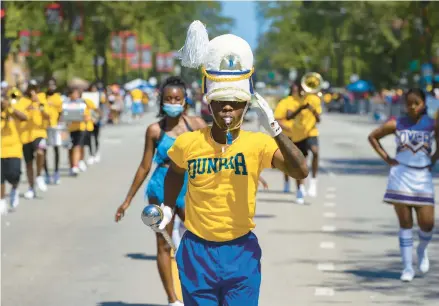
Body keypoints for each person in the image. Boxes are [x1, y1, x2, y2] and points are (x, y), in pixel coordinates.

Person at [153, 21, 308, 306]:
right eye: (221, 100)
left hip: (241, 252)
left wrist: (274, 128)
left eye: (236, 101)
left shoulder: (258, 144)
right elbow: (174, 172)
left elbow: (300, 170)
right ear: (208, 102)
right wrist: (167, 206)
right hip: (197, 251)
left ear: (247, 104)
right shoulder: (188, 143)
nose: (227, 107)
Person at [115, 76, 206, 306]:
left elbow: (217, 155)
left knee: (201, 239)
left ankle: (199, 291)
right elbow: (145, 166)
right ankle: (172, 299)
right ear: (161, 101)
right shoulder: (155, 130)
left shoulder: (196, 125)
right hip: (160, 187)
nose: (173, 102)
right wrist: (127, 201)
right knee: (163, 243)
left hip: (190, 185)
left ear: (185, 100)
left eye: (177, 98)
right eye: (168, 99)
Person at [368, 88, 437, 282]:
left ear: (424, 104)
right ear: (404, 105)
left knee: (427, 224)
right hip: (401, 175)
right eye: (409, 103)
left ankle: (422, 250)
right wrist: (388, 159)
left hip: (422, 176)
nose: (413, 107)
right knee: (405, 224)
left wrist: (433, 159)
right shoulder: (396, 123)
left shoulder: (432, 124)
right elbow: (373, 137)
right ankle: (407, 267)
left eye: (417, 103)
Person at [274, 82, 322, 203]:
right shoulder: (286, 102)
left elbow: (319, 119)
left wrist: (312, 110)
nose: (299, 91)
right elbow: (281, 118)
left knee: (315, 152)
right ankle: (298, 188)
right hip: (293, 134)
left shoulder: (313, 99)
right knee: (295, 162)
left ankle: (313, 181)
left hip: (310, 132)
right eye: (296, 89)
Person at [16, 82, 50, 199]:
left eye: (35, 89)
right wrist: (27, 107)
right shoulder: (22, 101)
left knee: (40, 152)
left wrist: (38, 103)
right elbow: (18, 114)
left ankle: (39, 175)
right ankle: (31, 188)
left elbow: (47, 115)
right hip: (25, 135)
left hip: (39, 132)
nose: (32, 91)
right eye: (31, 89)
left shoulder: (42, 99)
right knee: (29, 163)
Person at [0, 94, 28, 214]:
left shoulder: (13, 110)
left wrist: (9, 109)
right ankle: (1, 201)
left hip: (14, 148)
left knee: (14, 175)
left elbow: (24, 117)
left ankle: (14, 189)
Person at [44, 78, 63, 184]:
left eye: (53, 85)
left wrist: (59, 123)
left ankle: (56, 172)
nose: (51, 86)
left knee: (56, 149)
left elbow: (61, 112)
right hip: (44, 127)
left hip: (54, 126)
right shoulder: (43, 97)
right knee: (43, 150)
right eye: (49, 84)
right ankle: (46, 173)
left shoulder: (58, 98)